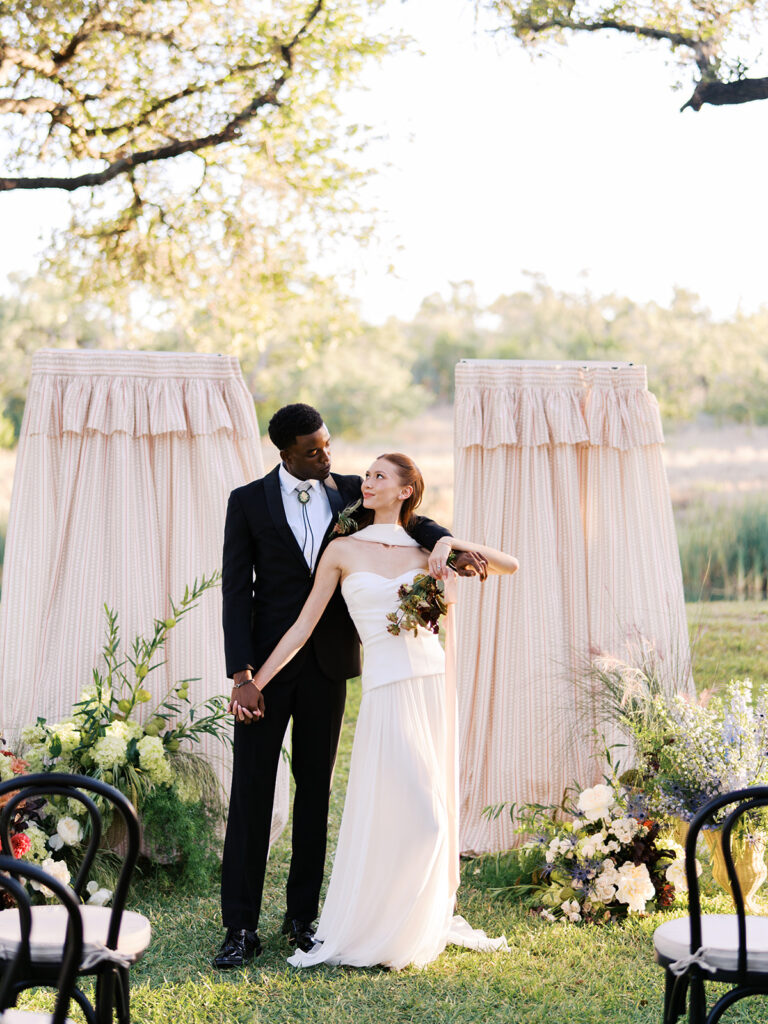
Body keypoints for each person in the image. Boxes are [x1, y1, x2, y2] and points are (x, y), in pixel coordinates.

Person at [215, 405, 486, 969]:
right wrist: (243, 676)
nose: (327, 456)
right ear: (285, 450)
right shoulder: (247, 501)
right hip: (267, 667)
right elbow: (236, 591)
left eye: (328, 444)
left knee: (316, 795)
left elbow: (416, 523)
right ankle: (239, 927)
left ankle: (301, 917)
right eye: (313, 449)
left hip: (330, 667)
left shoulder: (353, 493)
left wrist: (445, 543)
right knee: (251, 796)